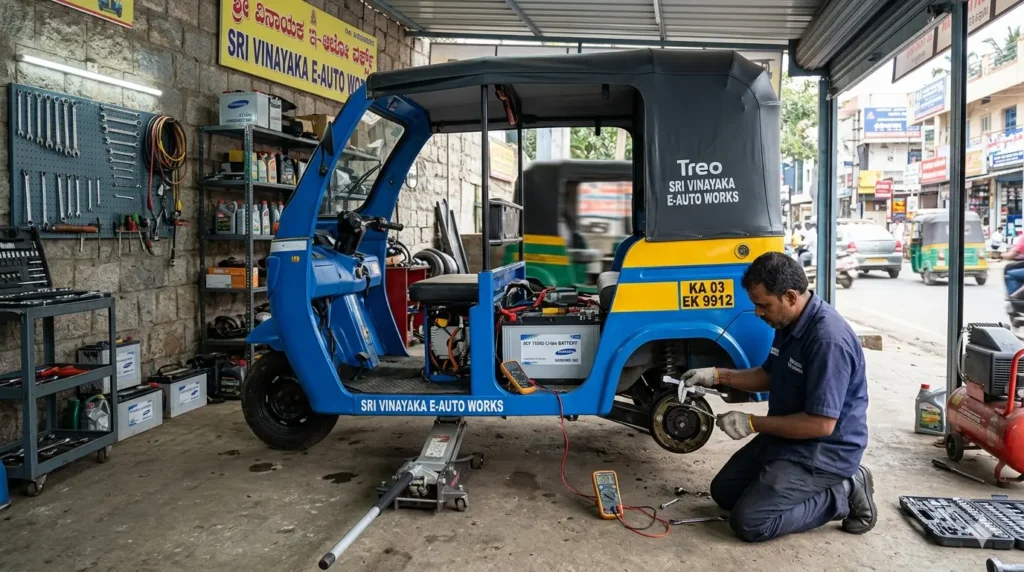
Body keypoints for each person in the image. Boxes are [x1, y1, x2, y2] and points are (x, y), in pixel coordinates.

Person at [680, 252, 874, 543]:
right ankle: (786, 485)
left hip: (824, 451)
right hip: (787, 439)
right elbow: (770, 375)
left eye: (762, 305)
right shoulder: (787, 322)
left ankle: (846, 489)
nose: (758, 312)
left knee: (750, 523)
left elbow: (821, 425)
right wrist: (718, 375)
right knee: (724, 492)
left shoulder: (827, 341)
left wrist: (752, 422)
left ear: (790, 297)